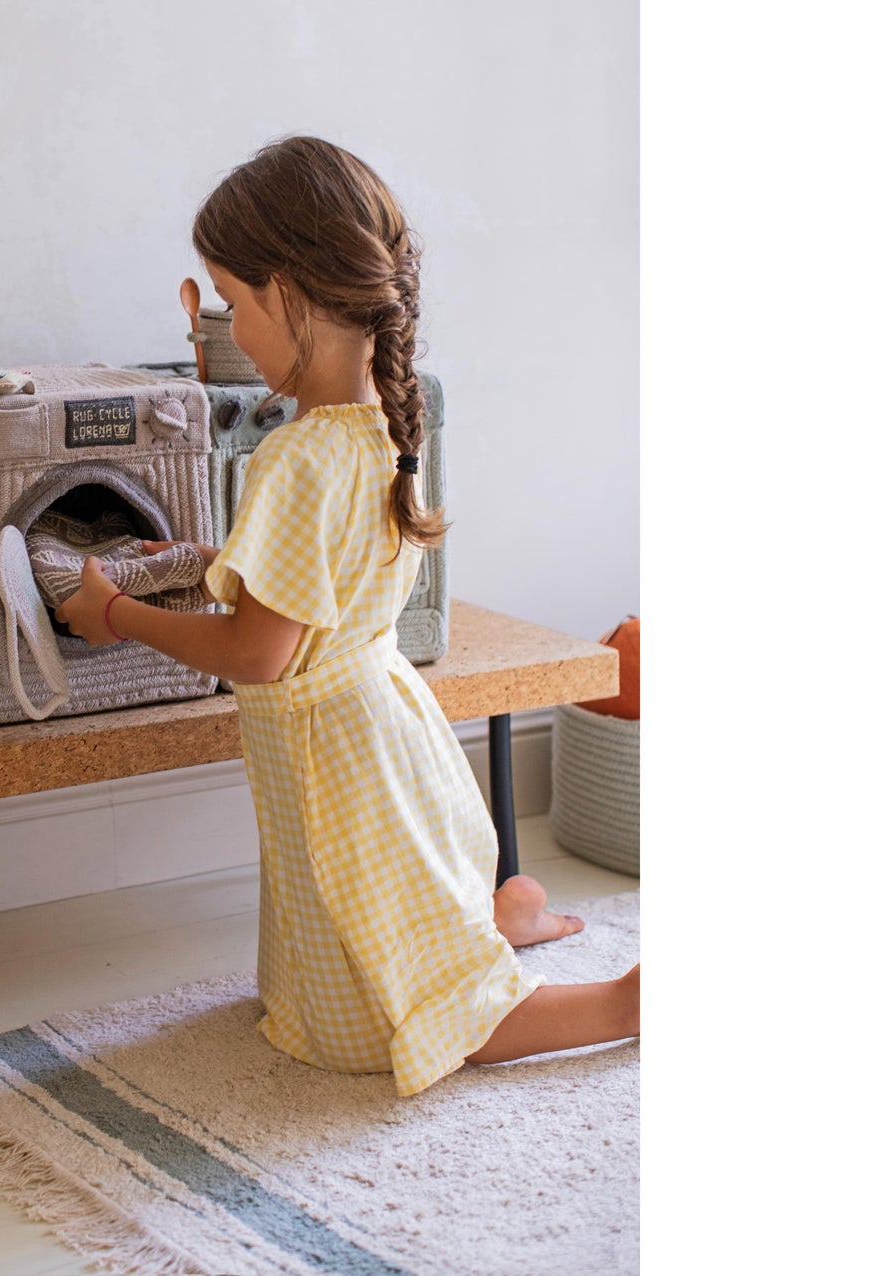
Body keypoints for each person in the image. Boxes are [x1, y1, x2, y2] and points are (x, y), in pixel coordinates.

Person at [56, 135, 639, 1096]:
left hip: (342, 760)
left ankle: (623, 1003)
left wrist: (117, 613)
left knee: (408, 1021)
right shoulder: (379, 426)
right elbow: (316, 587)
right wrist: (206, 564)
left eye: (233, 302)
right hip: (381, 723)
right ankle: (498, 919)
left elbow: (258, 652)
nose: (228, 330)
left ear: (290, 293)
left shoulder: (294, 458)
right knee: (390, 926)